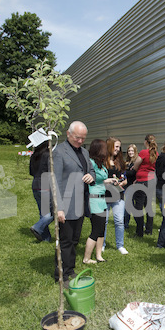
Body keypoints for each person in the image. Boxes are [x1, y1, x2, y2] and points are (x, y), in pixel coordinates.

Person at [52, 121, 95, 286]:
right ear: (68, 134)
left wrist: (91, 177)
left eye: (83, 138)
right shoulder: (59, 152)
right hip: (66, 204)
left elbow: (90, 170)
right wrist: (59, 208)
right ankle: (61, 275)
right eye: (78, 137)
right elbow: (55, 181)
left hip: (80, 203)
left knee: (75, 239)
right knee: (65, 241)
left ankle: (70, 269)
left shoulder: (84, 152)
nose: (80, 141)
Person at [83, 139, 119, 263]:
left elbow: (99, 179)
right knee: (96, 229)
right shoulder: (90, 163)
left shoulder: (101, 164)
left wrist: (108, 180)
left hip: (102, 199)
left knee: (102, 229)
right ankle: (86, 258)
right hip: (94, 199)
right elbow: (90, 180)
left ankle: (98, 255)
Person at [104, 137, 128, 254]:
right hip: (105, 195)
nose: (118, 149)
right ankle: (101, 244)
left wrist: (122, 182)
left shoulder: (120, 162)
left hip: (118, 195)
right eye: (116, 146)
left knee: (119, 221)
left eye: (119, 147)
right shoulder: (102, 162)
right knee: (104, 221)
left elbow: (124, 177)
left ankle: (120, 245)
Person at [132, 134, 158, 237]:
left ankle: (139, 232)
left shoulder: (143, 152)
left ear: (145, 142)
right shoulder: (155, 153)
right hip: (151, 181)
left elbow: (136, 166)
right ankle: (149, 229)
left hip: (142, 181)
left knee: (138, 207)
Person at [29, 140, 53, 242]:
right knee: (54, 211)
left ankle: (46, 238)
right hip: (45, 185)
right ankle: (37, 227)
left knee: (43, 213)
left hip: (35, 185)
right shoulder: (48, 155)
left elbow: (31, 172)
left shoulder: (34, 155)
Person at [123, 144, 138, 230]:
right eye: (129, 151)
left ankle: (139, 222)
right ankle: (126, 223)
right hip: (127, 186)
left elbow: (135, 173)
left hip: (134, 186)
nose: (130, 152)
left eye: (132, 151)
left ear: (135, 151)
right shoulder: (127, 162)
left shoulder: (136, 162)